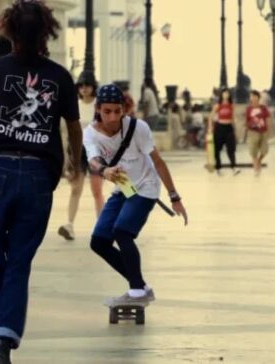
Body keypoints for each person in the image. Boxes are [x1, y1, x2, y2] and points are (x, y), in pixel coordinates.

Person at [0, 2, 83, 363]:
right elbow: (73, 128)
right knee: (19, 261)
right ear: (46, 33)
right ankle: (3, 344)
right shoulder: (59, 77)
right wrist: (75, 164)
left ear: (8, 31)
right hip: (39, 177)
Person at [84, 84, 188, 306]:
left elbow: (158, 162)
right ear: (98, 109)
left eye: (117, 111)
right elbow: (93, 160)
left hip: (146, 186)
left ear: (124, 109)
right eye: (107, 111)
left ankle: (136, 293)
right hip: (124, 187)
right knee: (99, 242)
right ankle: (140, 285)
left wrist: (174, 196)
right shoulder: (90, 133)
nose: (112, 118)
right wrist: (105, 171)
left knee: (122, 232)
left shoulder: (138, 128)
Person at [58, 72, 104, 241]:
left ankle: (101, 226)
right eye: (81, 86)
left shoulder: (98, 107)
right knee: (75, 188)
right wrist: (66, 157)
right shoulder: (74, 105)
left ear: (93, 87)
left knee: (96, 189)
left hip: (96, 153)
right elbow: (65, 133)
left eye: (87, 85)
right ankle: (69, 225)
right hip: (77, 151)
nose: (84, 89)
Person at [208, 88, 240, 175]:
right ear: (221, 95)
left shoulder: (232, 105)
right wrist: (210, 127)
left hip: (229, 128)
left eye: (227, 93)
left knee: (231, 149)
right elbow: (211, 117)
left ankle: (234, 167)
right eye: (224, 93)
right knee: (217, 149)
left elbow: (233, 118)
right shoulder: (217, 106)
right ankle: (218, 168)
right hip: (219, 128)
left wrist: (235, 127)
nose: (226, 95)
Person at [245, 90, 271, 176]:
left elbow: (267, 119)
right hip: (252, 132)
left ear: (258, 98)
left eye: (255, 96)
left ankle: (259, 161)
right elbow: (246, 120)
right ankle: (256, 168)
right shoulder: (248, 109)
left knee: (265, 150)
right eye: (251, 96)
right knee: (253, 151)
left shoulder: (263, 108)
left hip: (263, 131)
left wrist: (268, 131)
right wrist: (246, 131)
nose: (253, 98)